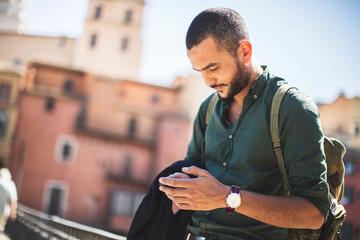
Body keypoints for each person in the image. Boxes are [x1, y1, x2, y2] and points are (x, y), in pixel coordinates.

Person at [159, 7, 330, 240]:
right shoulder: (207, 109)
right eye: (200, 71)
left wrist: (227, 196)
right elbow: (195, 180)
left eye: (213, 67)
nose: (208, 81)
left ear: (245, 52)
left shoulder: (293, 109)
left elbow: (314, 213)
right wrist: (182, 186)